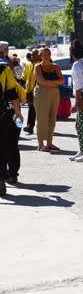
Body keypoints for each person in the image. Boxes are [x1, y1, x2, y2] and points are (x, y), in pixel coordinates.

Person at [33, 47, 64, 152]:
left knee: (52, 118)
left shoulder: (56, 66)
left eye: (48, 54)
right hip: (41, 93)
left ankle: (49, 143)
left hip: (55, 94)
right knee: (42, 118)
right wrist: (55, 82)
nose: (47, 56)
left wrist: (50, 82)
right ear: (40, 55)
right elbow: (42, 82)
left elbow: (62, 81)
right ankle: (40, 144)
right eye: (44, 54)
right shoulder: (38, 67)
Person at [0, 58, 23, 196]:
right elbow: (12, 94)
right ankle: (1, 180)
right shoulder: (4, 70)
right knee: (2, 148)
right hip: (1, 114)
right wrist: (18, 112)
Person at [21, 49, 39, 135]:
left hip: (39, 91)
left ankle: (42, 127)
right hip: (29, 91)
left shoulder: (41, 64)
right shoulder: (28, 65)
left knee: (38, 109)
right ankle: (30, 127)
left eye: (35, 54)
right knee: (31, 109)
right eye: (32, 55)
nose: (33, 56)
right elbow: (23, 77)